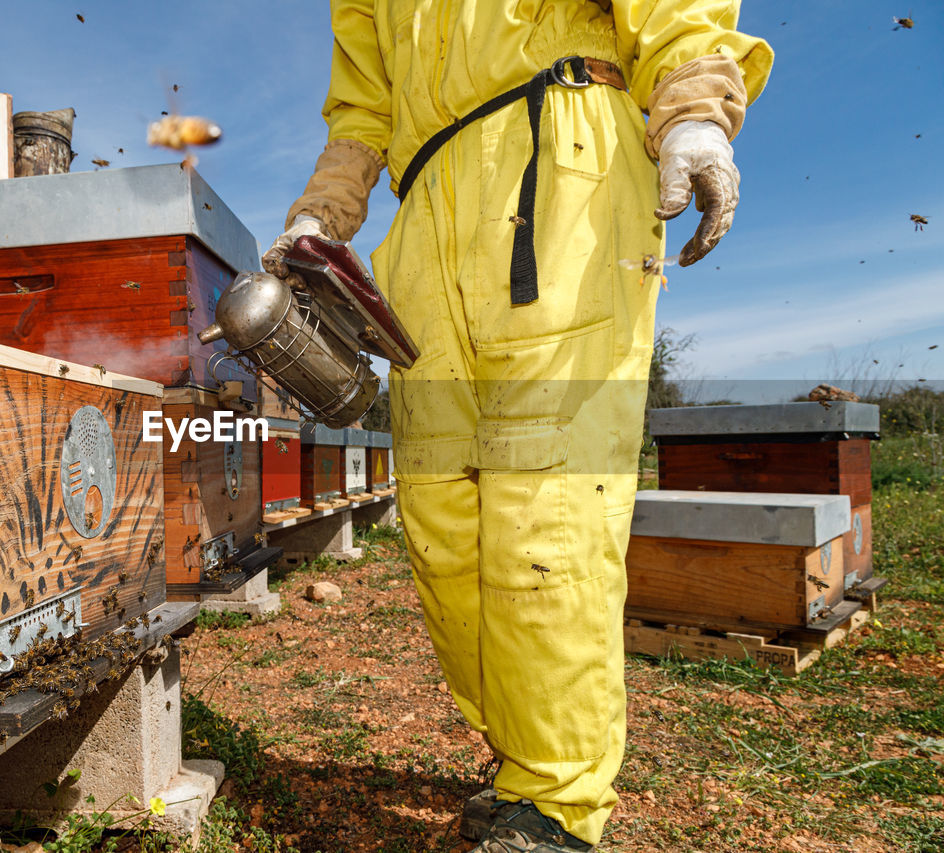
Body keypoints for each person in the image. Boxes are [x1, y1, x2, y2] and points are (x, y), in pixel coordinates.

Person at [263, 2, 772, 851]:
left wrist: (694, 104)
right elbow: (362, 111)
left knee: (549, 509)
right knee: (441, 519)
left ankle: (559, 803)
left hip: (561, 168)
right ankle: (523, 758)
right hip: (425, 217)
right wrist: (322, 212)